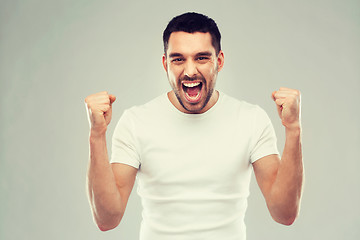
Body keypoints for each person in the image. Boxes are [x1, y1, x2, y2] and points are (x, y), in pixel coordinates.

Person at [84, 12, 303, 240]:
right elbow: (107, 220)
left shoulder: (251, 119)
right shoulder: (136, 122)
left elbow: (284, 213)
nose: (189, 71)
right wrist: (97, 134)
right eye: (178, 59)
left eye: (201, 58)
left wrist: (293, 128)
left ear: (219, 61)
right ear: (165, 63)